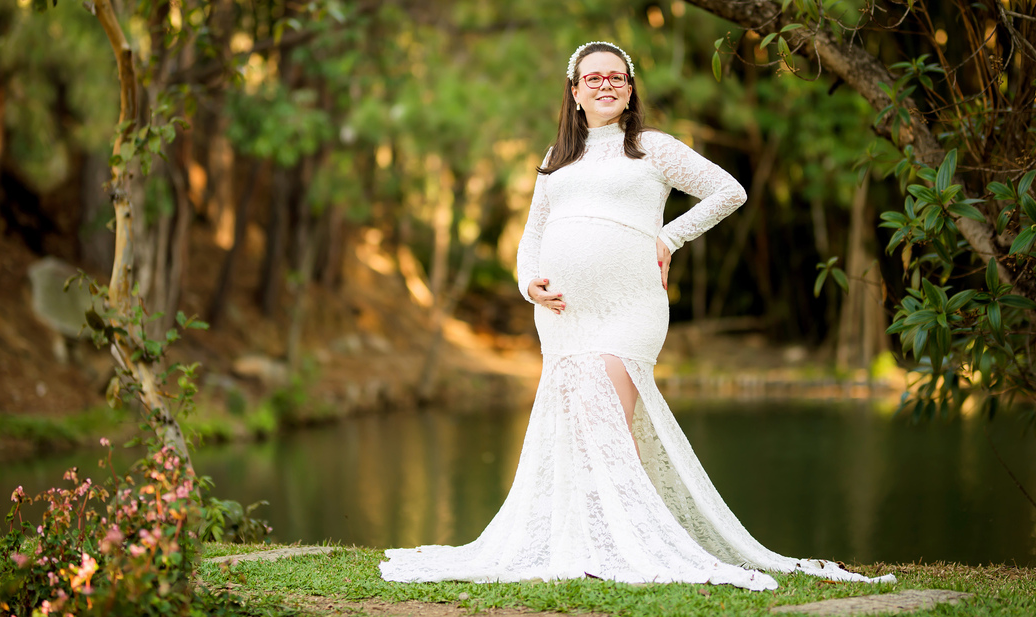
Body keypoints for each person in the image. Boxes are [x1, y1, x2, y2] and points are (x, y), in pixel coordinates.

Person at [380, 41, 895, 590]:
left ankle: (620, 544)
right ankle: (591, 542)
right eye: (594, 78)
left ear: (629, 90)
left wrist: (670, 237)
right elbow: (532, 235)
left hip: (630, 307)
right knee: (581, 427)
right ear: (575, 92)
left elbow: (729, 191)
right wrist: (527, 284)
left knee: (607, 416)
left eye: (617, 78)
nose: (606, 85)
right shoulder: (556, 159)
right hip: (564, 314)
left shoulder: (654, 147)